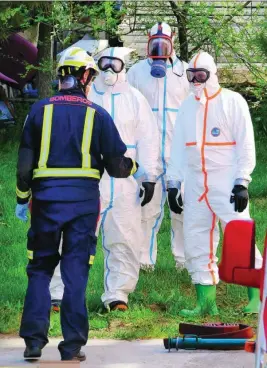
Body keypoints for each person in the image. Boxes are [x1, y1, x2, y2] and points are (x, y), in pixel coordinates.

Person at [15, 46, 143, 362]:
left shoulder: (38, 110)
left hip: (45, 203)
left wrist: (23, 198)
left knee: (40, 270)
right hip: (83, 204)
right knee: (75, 272)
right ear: (85, 76)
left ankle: (33, 343)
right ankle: (71, 347)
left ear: (62, 75)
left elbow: (23, 165)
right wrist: (134, 167)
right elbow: (116, 167)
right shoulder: (97, 114)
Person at [167, 51, 263, 317]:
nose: (196, 80)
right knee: (196, 240)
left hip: (227, 182)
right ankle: (206, 302)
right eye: (191, 75)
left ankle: (256, 298)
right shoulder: (186, 106)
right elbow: (177, 149)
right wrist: (173, 183)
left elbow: (246, 145)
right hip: (196, 184)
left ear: (212, 75)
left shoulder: (233, 102)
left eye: (201, 75)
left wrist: (242, 180)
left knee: (240, 238)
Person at [88, 47, 159, 311]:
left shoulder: (135, 98)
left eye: (114, 64)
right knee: (76, 236)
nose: (108, 69)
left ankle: (118, 294)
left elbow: (148, 139)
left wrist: (148, 176)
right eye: (104, 63)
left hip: (124, 176)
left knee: (125, 235)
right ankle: (60, 293)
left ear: (124, 67)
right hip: (89, 176)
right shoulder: (86, 94)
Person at [127, 22, 190, 271]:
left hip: (178, 152)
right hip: (147, 152)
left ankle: (183, 261)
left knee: (182, 207)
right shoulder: (136, 72)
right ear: (148, 40)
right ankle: (144, 261)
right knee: (146, 208)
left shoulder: (185, 72)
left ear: (172, 40)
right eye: (156, 41)